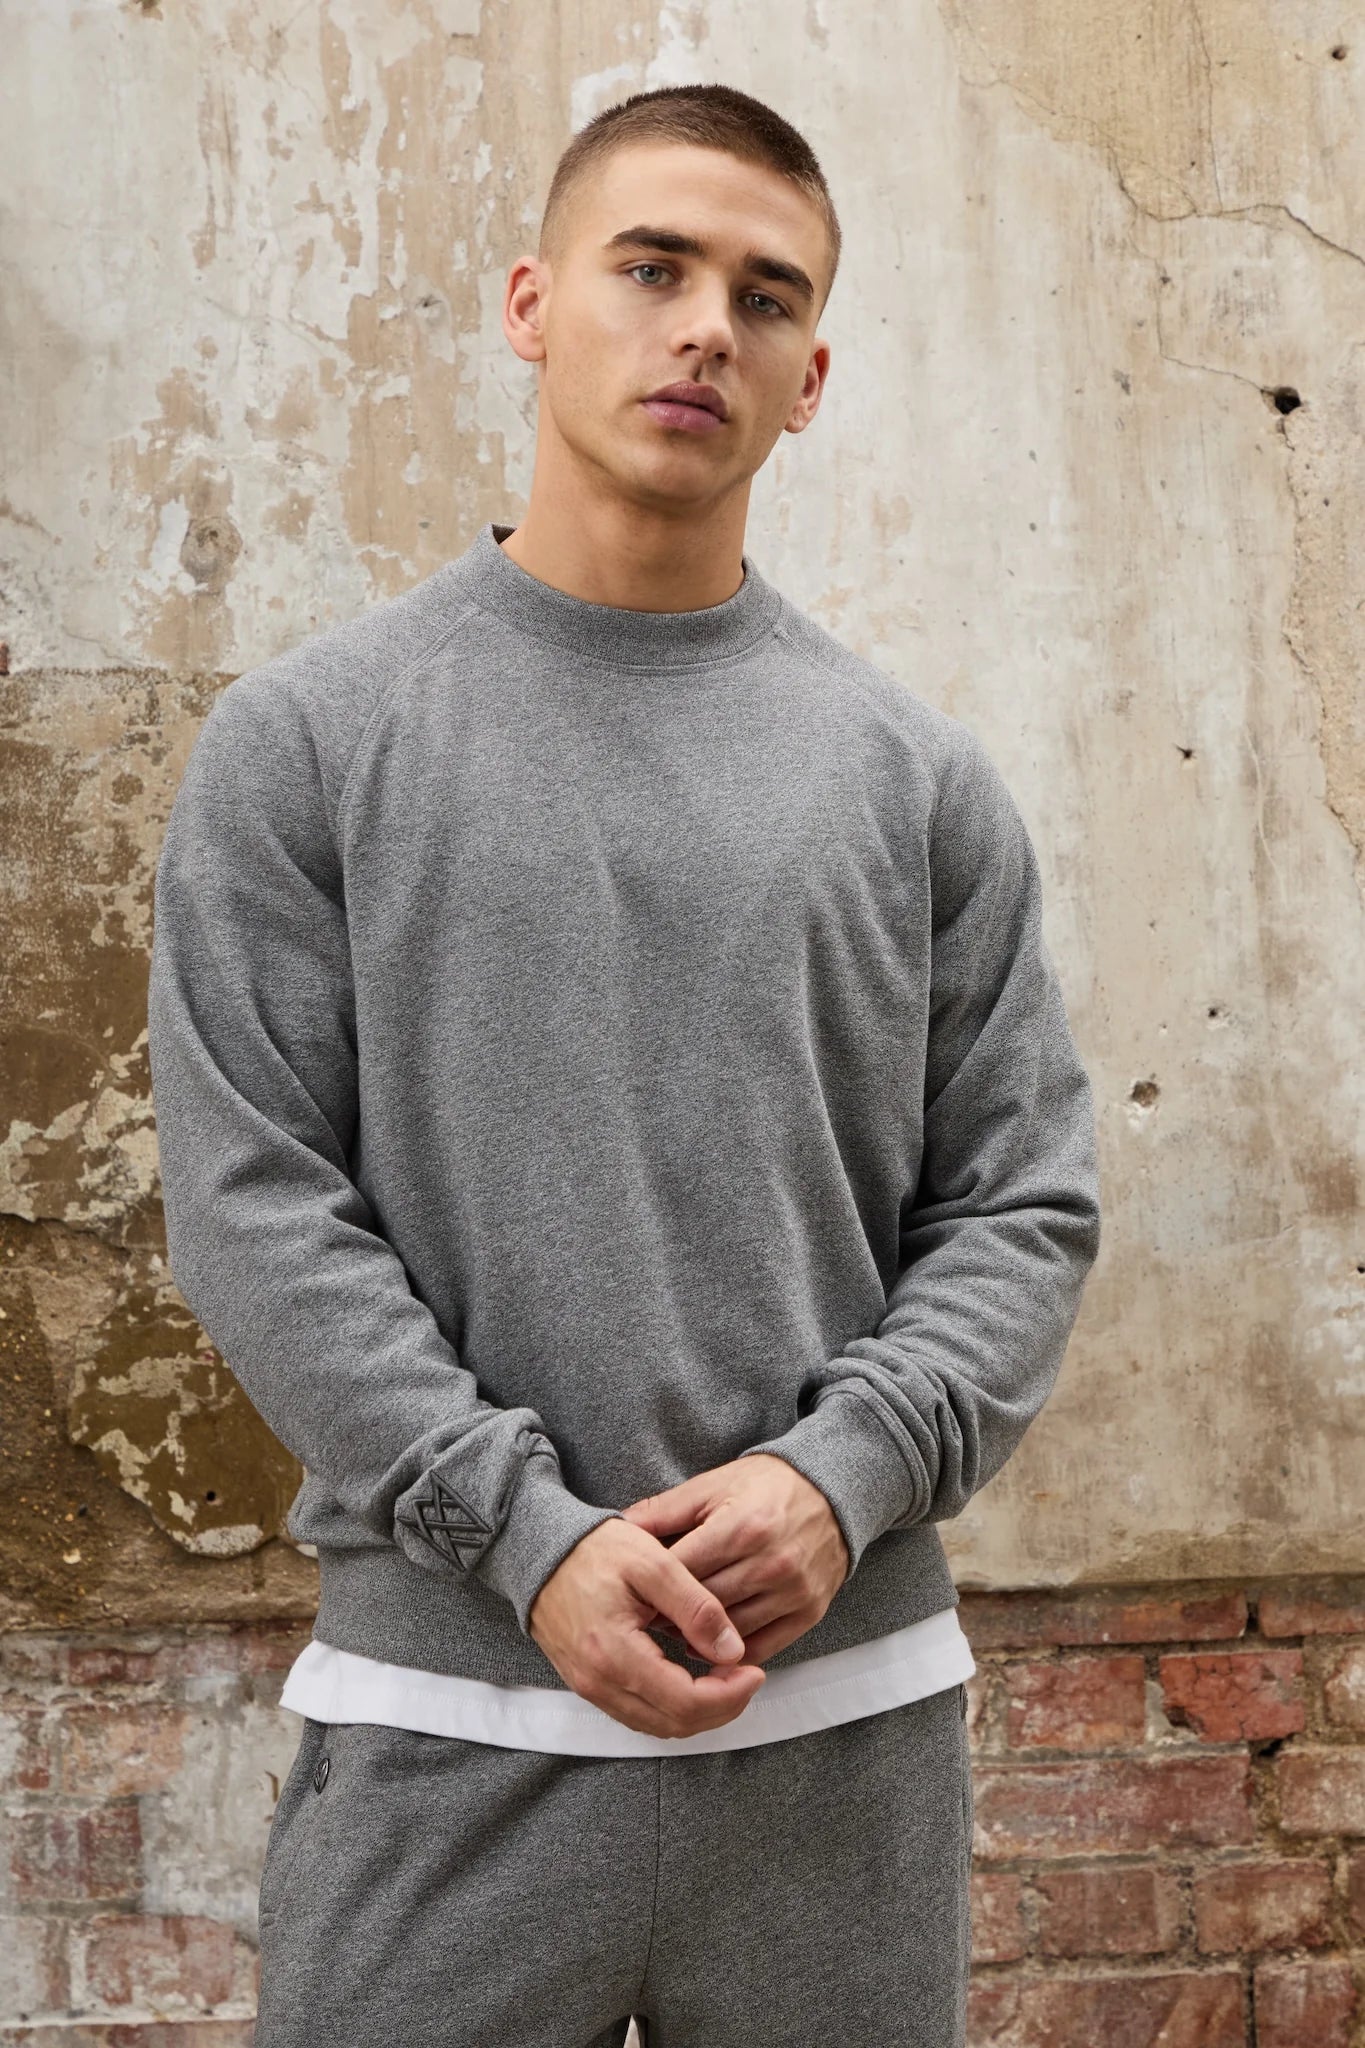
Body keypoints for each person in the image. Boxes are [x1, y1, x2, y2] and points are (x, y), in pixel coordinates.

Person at [147, 81, 1101, 2048]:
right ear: (530, 303)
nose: (702, 331)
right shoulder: (308, 747)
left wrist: (839, 1480)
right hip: (444, 1732)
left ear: (809, 378)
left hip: (836, 1740)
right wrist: (531, 1541)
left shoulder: (915, 785)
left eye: (764, 296)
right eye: (649, 268)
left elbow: (1019, 1206)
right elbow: (255, 1211)